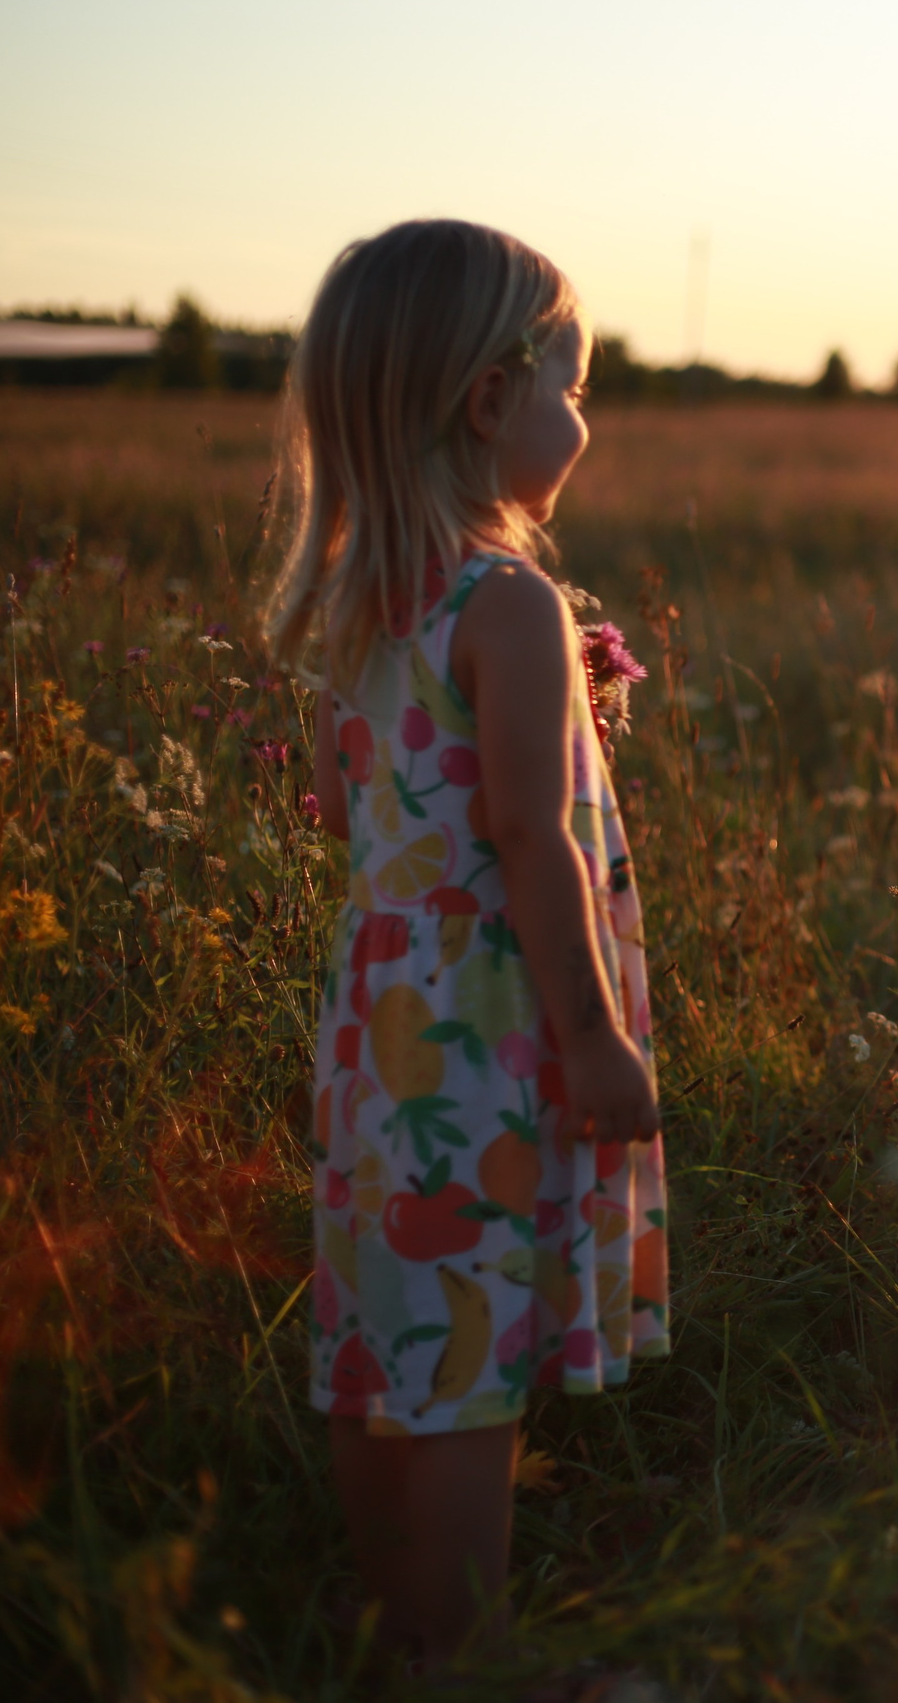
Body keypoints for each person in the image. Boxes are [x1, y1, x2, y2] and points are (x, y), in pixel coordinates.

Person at [262, 219, 669, 1668]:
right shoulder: (510, 601)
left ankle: (390, 1619)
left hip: (382, 1025)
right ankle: (462, 1647)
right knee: (474, 1352)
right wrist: (591, 1034)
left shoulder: (363, 598)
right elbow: (524, 836)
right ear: (491, 404)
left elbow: (344, 804)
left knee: (391, 1329)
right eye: (571, 384)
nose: (583, 418)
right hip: (493, 1031)